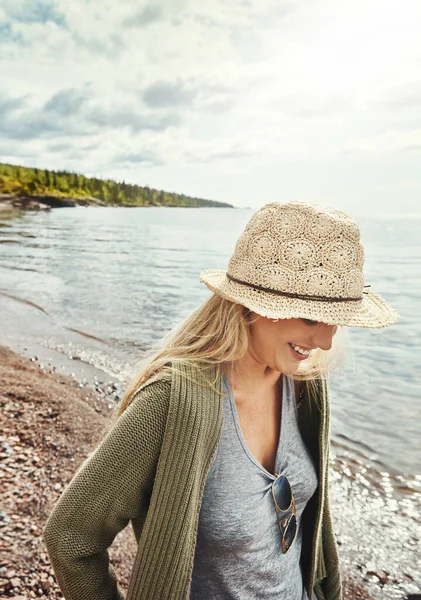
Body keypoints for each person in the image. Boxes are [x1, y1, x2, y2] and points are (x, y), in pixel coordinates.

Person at [43, 201, 399, 600]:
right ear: (252, 305)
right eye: (311, 318)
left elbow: (310, 530)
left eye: (336, 319)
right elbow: (72, 537)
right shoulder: (172, 401)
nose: (326, 341)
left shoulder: (305, 386)